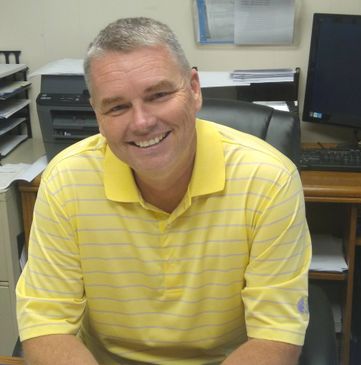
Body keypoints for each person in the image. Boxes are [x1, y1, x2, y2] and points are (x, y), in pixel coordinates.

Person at [16, 17, 311, 365]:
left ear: (195, 89)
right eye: (117, 106)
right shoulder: (66, 181)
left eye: (158, 95)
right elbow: (46, 323)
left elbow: (275, 336)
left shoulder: (269, 180)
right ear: (97, 114)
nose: (141, 123)